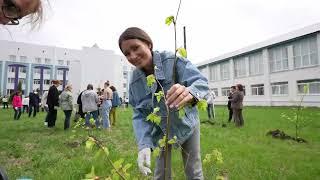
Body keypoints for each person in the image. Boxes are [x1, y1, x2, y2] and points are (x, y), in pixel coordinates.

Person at [118, 27, 209, 179]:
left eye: (135, 48)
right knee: (161, 172)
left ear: (149, 44)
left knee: (193, 168)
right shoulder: (134, 82)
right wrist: (144, 145)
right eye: (127, 53)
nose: (132, 56)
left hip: (187, 123)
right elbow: (140, 114)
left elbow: (201, 82)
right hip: (161, 130)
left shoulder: (172, 61)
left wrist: (190, 92)